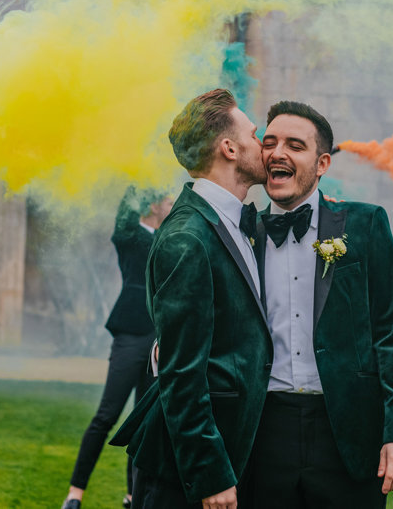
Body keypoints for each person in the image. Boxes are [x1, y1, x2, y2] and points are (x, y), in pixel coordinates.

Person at [244, 100, 393, 508]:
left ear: (322, 163)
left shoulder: (365, 224)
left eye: (294, 144)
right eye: (269, 142)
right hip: (262, 432)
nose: (277, 153)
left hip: (348, 433)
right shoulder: (242, 231)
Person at [110, 88, 271, 509]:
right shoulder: (187, 238)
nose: (263, 144)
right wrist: (210, 474)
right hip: (187, 477)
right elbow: (181, 373)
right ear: (229, 147)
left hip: (229, 454)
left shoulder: (232, 222)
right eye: (255, 135)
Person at [62, 190, 173, 509]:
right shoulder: (130, 235)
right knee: (106, 415)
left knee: (145, 420)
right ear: (153, 206)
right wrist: (136, 166)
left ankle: (132, 496)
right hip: (130, 335)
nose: (172, 207)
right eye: (167, 202)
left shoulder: (173, 236)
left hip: (160, 338)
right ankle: (75, 494)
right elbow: (124, 215)